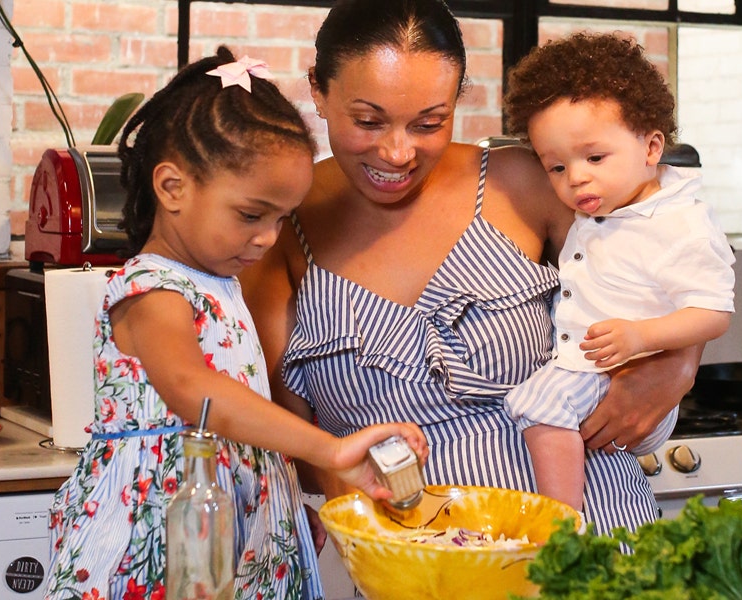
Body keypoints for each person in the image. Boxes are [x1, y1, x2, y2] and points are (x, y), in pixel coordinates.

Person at [242, 0, 701, 533]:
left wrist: (680, 362)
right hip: (417, 564)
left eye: (428, 122)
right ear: (318, 91)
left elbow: (678, 248)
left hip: (591, 541)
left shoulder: (525, 181)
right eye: (368, 121)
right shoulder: (279, 223)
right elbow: (283, 428)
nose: (397, 152)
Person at [44, 47, 428, 600]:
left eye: (280, 219)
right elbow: (195, 391)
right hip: (166, 537)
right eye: (251, 215)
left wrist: (283, 501)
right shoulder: (152, 288)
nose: (268, 237)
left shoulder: (221, 283)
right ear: (172, 187)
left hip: (234, 526)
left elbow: (240, 407)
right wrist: (331, 450)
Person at [500, 32, 735, 509]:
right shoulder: (605, 206)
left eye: (594, 158)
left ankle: (562, 520)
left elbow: (714, 313)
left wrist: (641, 338)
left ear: (651, 148)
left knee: (536, 408)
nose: (576, 177)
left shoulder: (680, 223)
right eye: (556, 167)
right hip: (600, 372)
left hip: (624, 372)